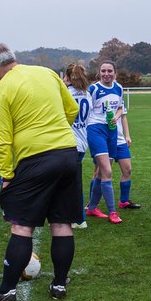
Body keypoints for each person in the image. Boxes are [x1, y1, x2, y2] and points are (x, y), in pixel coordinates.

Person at [0, 41, 81, 301]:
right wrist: (56, 132)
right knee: (61, 223)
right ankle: (59, 284)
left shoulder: (1, 90)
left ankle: (6, 290)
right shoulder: (45, 72)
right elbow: (72, 109)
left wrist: (6, 176)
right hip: (68, 154)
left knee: (22, 226)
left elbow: (1, 140)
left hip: (36, 159)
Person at [84, 62, 127, 223]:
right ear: (99, 73)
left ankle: (92, 207)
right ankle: (113, 212)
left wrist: (116, 117)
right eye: (103, 71)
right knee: (107, 171)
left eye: (109, 71)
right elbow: (86, 110)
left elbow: (120, 108)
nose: (106, 74)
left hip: (112, 131)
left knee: (101, 173)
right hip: (96, 130)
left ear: (115, 73)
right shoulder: (93, 89)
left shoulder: (119, 88)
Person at [63, 63, 91, 229]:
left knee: (71, 184)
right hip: (82, 141)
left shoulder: (66, 94)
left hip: (69, 142)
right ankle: (76, 217)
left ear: (67, 77)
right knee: (71, 182)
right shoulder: (87, 94)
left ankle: (79, 219)